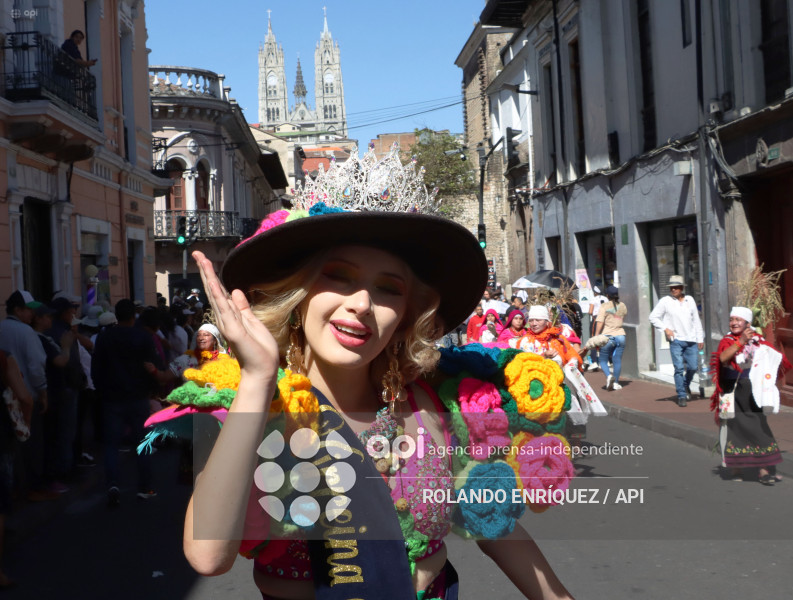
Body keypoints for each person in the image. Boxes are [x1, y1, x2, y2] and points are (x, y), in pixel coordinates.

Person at [145, 147, 575, 600]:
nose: (363, 304)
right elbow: (209, 557)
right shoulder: (254, 412)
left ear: (409, 313)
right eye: (339, 276)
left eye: (389, 288)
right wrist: (257, 378)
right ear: (299, 294)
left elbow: (495, 526)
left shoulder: (437, 403)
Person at [92, 299, 162, 506]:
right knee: (142, 443)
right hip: (138, 396)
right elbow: (152, 365)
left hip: (112, 397)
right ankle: (144, 487)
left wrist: (101, 390)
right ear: (134, 316)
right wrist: (152, 390)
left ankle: (112, 484)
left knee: (112, 445)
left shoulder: (105, 338)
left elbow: (97, 368)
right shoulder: (143, 337)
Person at [711, 307, 790, 485]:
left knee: (758, 426)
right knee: (734, 427)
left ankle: (764, 469)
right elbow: (723, 358)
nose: (734, 323)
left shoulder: (758, 340)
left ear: (748, 323)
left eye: (739, 319)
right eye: (732, 319)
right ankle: (736, 467)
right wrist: (741, 342)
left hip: (754, 391)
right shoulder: (728, 340)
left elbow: (773, 359)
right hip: (733, 391)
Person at [649, 275, 705, 407]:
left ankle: (685, 384)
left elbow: (696, 320)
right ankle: (681, 395)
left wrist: (700, 337)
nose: (673, 289)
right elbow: (653, 317)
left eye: (676, 287)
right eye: (671, 287)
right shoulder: (665, 301)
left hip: (691, 339)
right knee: (679, 368)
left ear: (682, 288)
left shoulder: (690, 300)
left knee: (693, 367)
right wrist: (665, 329)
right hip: (676, 340)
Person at [515, 306, 583, 369]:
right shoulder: (526, 340)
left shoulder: (558, 338)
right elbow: (525, 363)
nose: (534, 324)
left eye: (538, 320)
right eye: (531, 320)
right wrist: (544, 355)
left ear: (547, 322)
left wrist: (572, 363)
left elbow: (572, 355)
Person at [594, 286, 627, 391]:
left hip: (608, 336)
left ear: (607, 295)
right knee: (617, 360)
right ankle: (616, 382)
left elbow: (600, 322)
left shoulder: (604, 306)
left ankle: (608, 376)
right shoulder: (622, 305)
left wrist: (596, 336)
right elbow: (623, 316)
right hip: (621, 335)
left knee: (603, 360)